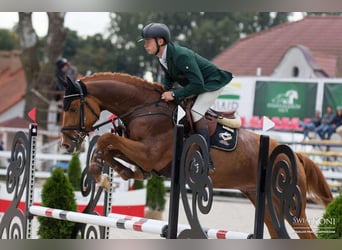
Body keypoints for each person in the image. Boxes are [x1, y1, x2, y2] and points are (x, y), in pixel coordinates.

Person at [139, 23, 233, 170]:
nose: (145, 45)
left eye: (148, 41)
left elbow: (198, 85)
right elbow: (169, 79)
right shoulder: (162, 57)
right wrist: (161, 92)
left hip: (212, 83)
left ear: (160, 41)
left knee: (195, 113)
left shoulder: (181, 55)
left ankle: (206, 159)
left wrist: (174, 94)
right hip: (197, 84)